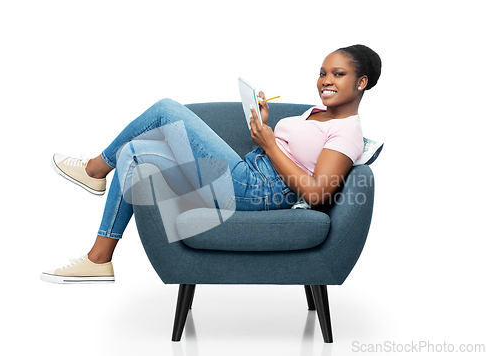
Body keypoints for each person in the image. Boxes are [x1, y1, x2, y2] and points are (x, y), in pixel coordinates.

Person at [40, 44, 382, 284]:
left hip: (259, 191)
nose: (325, 81)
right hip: (249, 173)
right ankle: (99, 259)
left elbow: (318, 193)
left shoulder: (347, 131)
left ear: (361, 82)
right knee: (134, 153)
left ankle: (94, 169)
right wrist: (263, 128)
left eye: (338, 74)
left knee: (165, 109)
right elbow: (291, 152)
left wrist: (269, 145)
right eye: (322, 73)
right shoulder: (318, 112)